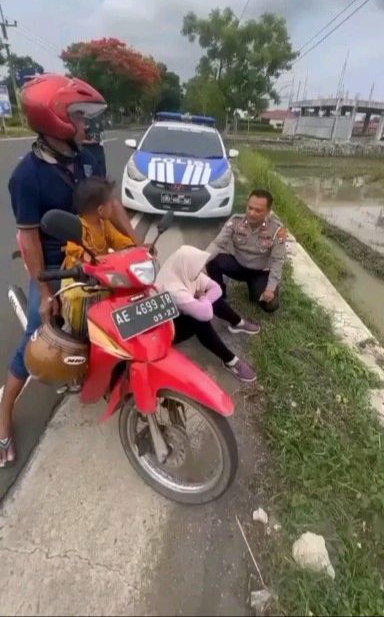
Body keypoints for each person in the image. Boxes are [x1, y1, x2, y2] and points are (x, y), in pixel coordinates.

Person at [0, 74, 140, 467]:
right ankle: (4, 419)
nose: (85, 125)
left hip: (96, 253)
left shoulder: (90, 155)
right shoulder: (26, 176)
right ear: (55, 120)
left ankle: (91, 375)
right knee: (36, 340)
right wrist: (45, 293)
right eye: (78, 117)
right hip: (56, 270)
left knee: (117, 314)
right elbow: (28, 240)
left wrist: (136, 246)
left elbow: (110, 205)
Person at [157, 245, 259, 383]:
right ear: (187, 265)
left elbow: (216, 289)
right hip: (167, 331)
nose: (201, 271)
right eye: (197, 267)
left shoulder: (184, 271)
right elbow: (206, 314)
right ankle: (231, 361)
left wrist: (202, 300)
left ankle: (238, 322)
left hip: (182, 311)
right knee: (199, 320)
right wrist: (202, 300)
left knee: (206, 298)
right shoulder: (173, 289)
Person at [61, 177, 135, 338]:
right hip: (79, 280)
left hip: (102, 276)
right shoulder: (79, 226)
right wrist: (87, 256)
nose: (113, 206)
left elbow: (119, 241)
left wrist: (134, 248)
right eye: (111, 203)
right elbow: (74, 249)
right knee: (77, 311)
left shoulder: (104, 224)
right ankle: (71, 333)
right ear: (101, 210)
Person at [206, 189, 286, 313]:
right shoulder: (236, 221)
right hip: (239, 265)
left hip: (261, 271)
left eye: (258, 210)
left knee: (271, 305)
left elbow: (277, 261)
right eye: (250, 208)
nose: (252, 213)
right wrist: (199, 262)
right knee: (213, 260)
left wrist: (270, 288)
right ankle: (218, 292)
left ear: (268, 211)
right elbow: (218, 244)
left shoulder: (276, 230)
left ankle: (256, 287)